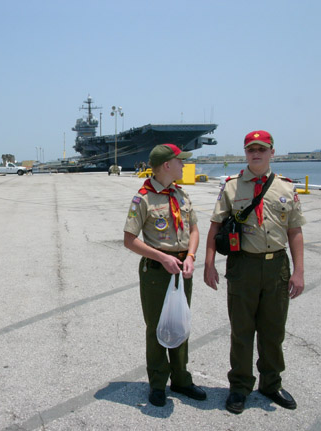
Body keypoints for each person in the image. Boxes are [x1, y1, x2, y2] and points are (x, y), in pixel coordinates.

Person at [204, 130, 305, 414]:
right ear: (245, 153)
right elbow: (215, 226)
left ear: (272, 152)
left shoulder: (286, 188)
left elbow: (295, 231)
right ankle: (239, 386)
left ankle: (271, 384)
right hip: (243, 266)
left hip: (277, 266)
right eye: (251, 150)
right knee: (242, 330)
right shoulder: (232, 188)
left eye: (262, 149)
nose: (256, 154)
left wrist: (298, 272)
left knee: (273, 330)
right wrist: (209, 263)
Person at [123, 143, 206, 407]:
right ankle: (158, 383)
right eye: (180, 161)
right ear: (167, 165)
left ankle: (181, 380)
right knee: (157, 327)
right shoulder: (143, 199)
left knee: (180, 323)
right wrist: (162, 257)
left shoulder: (181, 194)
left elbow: (194, 230)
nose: (184, 165)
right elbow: (129, 240)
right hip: (157, 272)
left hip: (182, 270)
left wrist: (191, 256)